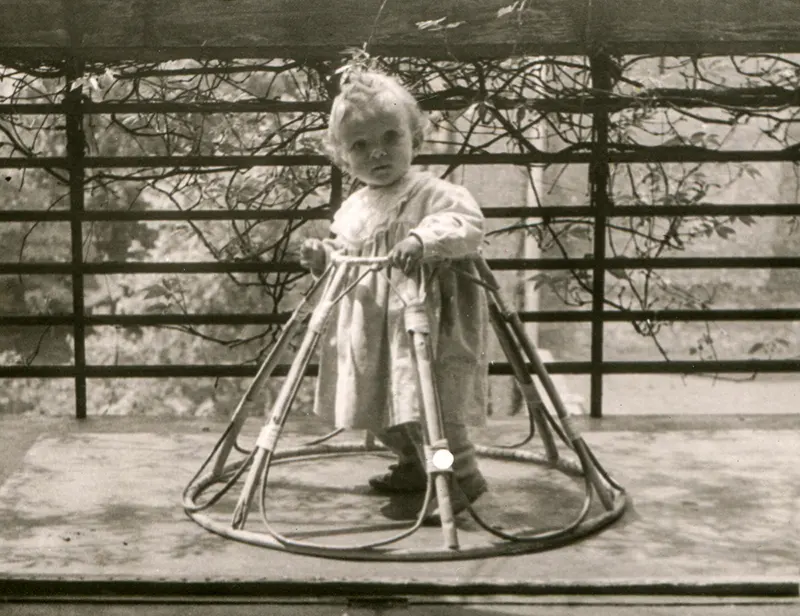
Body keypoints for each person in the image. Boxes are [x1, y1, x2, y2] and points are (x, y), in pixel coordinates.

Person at [300, 69, 489, 521]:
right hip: (373, 332)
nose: (378, 152)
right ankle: (413, 465)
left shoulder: (435, 194)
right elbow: (349, 254)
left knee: (431, 412)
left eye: (390, 137)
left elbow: (465, 226)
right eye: (360, 146)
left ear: (415, 139)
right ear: (343, 158)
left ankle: (456, 475)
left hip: (424, 326)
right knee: (383, 408)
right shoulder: (355, 208)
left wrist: (423, 241)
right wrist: (324, 255)